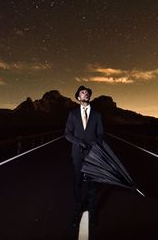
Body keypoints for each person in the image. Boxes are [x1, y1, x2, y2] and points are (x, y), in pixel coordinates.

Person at [65, 85, 104, 227]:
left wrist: (94, 144)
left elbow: (101, 134)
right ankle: (77, 212)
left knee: (92, 185)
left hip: (93, 155)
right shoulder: (73, 114)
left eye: (87, 92)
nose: (86, 94)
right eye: (83, 92)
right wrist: (79, 142)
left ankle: (92, 214)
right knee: (78, 184)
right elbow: (67, 134)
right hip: (77, 155)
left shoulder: (97, 115)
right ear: (78, 97)